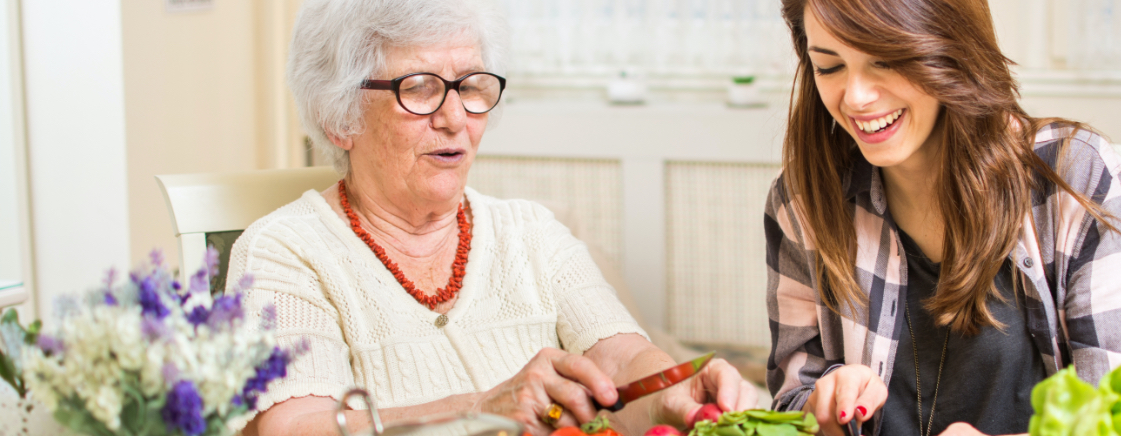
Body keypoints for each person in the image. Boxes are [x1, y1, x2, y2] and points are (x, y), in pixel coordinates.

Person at [227, 0, 759, 434]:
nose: (455, 118)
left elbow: (619, 359)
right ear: (339, 116)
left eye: (469, 86)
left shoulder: (532, 232)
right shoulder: (285, 251)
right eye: (418, 87)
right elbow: (297, 427)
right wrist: (478, 409)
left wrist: (673, 391)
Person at [763, 0, 1121, 435]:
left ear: (951, 46)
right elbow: (791, 401)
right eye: (829, 67)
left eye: (886, 60)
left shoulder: (1079, 181)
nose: (856, 97)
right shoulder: (803, 200)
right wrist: (821, 407)